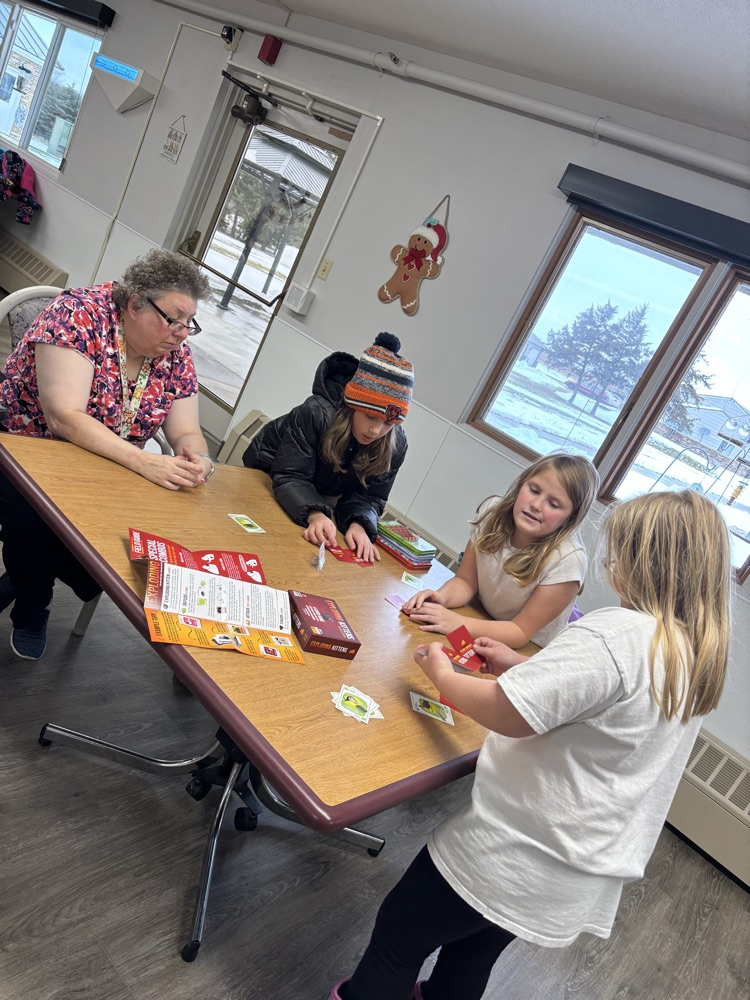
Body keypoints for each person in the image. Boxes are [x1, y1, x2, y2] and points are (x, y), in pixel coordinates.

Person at [331, 489, 732, 1000]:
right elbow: (610, 709)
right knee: (468, 955)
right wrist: (525, 667)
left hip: (517, 851)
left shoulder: (618, 633)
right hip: (576, 868)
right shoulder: (688, 652)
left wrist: (441, 673)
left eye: (620, 549)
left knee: (397, 937)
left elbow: (507, 714)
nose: (610, 561)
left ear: (645, 561)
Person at [0, 248, 213, 660]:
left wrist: (196, 457)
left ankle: (22, 578)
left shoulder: (175, 354)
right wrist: (144, 460)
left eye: (190, 323)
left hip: (105, 467)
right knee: (40, 523)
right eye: (173, 319)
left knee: (127, 548)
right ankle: (32, 606)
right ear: (134, 304)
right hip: (26, 450)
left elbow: (187, 429)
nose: (182, 333)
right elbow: (64, 417)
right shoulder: (78, 314)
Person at [243, 332, 413, 563]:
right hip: (266, 469)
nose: (376, 430)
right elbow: (291, 475)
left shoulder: (396, 443)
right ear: (353, 405)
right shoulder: (316, 412)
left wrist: (359, 523)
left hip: (315, 488)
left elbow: (370, 497)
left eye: (389, 423)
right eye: (370, 417)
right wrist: (315, 513)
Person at [403, 453, 599, 647]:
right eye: (534, 490)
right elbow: (465, 581)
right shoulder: (491, 511)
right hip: (484, 620)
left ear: (571, 518)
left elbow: (520, 632)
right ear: (522, 483)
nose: (536, 505)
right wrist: (442, 597)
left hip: (528, 651)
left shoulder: (569, 560)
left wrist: (457, 623)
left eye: (553, 504)